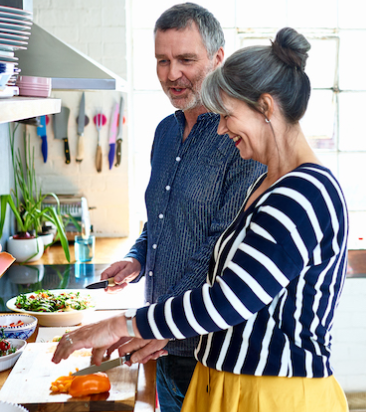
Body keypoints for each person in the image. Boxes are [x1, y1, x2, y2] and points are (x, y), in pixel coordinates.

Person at [53, 27, 349, 412]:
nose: (222, 128)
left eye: (228, 115)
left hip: (273, 395)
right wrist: (161, 332)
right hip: (229, 384)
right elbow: (230, 285)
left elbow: (231, 299)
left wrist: (121, 324)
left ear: (266, 108)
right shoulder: (269, 182)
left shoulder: (305, 193)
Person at [98, 4, 266, 410]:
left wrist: (155, 324)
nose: (172, 74)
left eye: (186, 60)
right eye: (162, 61)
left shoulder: (240, 141)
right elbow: (161, 217)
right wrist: (137, 257)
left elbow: (218, 249)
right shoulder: (165, 131)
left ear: (218, 59)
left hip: (210, 353)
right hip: (161, 348)